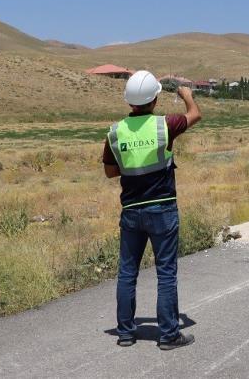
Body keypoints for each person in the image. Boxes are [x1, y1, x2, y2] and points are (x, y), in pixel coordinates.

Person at [102, 70, 201, 350]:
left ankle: (125, 333)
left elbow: (110, 171)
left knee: (127, 272)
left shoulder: (115, 132)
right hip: (162, 209)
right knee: (166, 273)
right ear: (155, 99)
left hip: (131, 211)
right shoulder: (164, 125)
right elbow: (195, 115)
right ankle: (169, 335)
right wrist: (187, 97)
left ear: (129, 102)